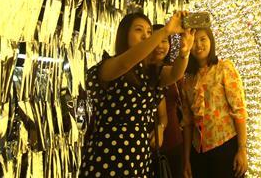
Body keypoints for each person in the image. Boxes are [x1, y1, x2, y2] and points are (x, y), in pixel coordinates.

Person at [80, 11, 194, 177]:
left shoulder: (150, 73)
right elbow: (125, 63)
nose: (146, 36)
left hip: (139, 158)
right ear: (124, 34)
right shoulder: (109, 65)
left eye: (149, 32)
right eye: (139, 30)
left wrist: (184, 52)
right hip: (107, 157)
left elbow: (175, 74)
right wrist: (164, 31)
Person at [180, 28, 248, 178]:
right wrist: (186, 160)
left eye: (203, 39)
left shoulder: (224, 68)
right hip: (198, 152)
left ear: (211, 40)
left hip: (225, 146)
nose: (198, 45)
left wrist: (242, 149)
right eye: (194, 41)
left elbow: (239, 110)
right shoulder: (188, 79)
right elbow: (187, 122)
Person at [150, 24, 185, 178]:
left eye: (165, 40)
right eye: (156, 40)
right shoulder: (140, 71)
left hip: (173, 138)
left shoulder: (174, 70)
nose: (160, 46)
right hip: (148, 141)